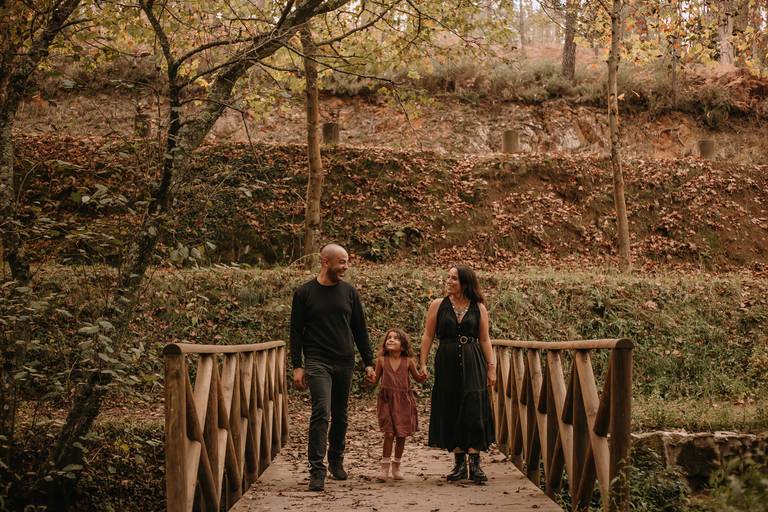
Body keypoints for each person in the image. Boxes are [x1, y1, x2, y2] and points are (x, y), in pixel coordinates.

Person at [290, 244, 376, 491]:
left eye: (347, 261)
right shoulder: (304, 293)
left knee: (341, 414)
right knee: (321, 411)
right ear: (325, 261)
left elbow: (360, 329)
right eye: (341, 262)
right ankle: (317, 469)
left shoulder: (349, 293)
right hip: (317, 361)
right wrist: (297, 366)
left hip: (345, 360)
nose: (345, 267)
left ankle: (336, 460)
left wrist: (368, 363)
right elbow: (295, 332)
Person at [419, 265, 497, 484]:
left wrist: (491, 367)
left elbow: (485, 339)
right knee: (451, 404)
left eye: (454, 278)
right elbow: (427, 335)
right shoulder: (437, 305)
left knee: (473, 406)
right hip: (446, 361)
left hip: (474, 360)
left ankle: (475, 462)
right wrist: (422, 363)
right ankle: (459, 463)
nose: (449, 281)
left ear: (465, 282)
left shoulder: (478, 307)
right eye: (448, 277)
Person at [367, 328, 426, 482]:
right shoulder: (381, 360)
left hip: (404, 401)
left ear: (404, 345)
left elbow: (418, 378)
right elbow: (375, 380)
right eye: (389, 338)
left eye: (395, 338)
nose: (391, 340)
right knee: (389, 433)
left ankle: (396, 466)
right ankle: (384, 467)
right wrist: (370, 377)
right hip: (386, 400)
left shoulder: (408, 362)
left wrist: (423, 375)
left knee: (401, 434)